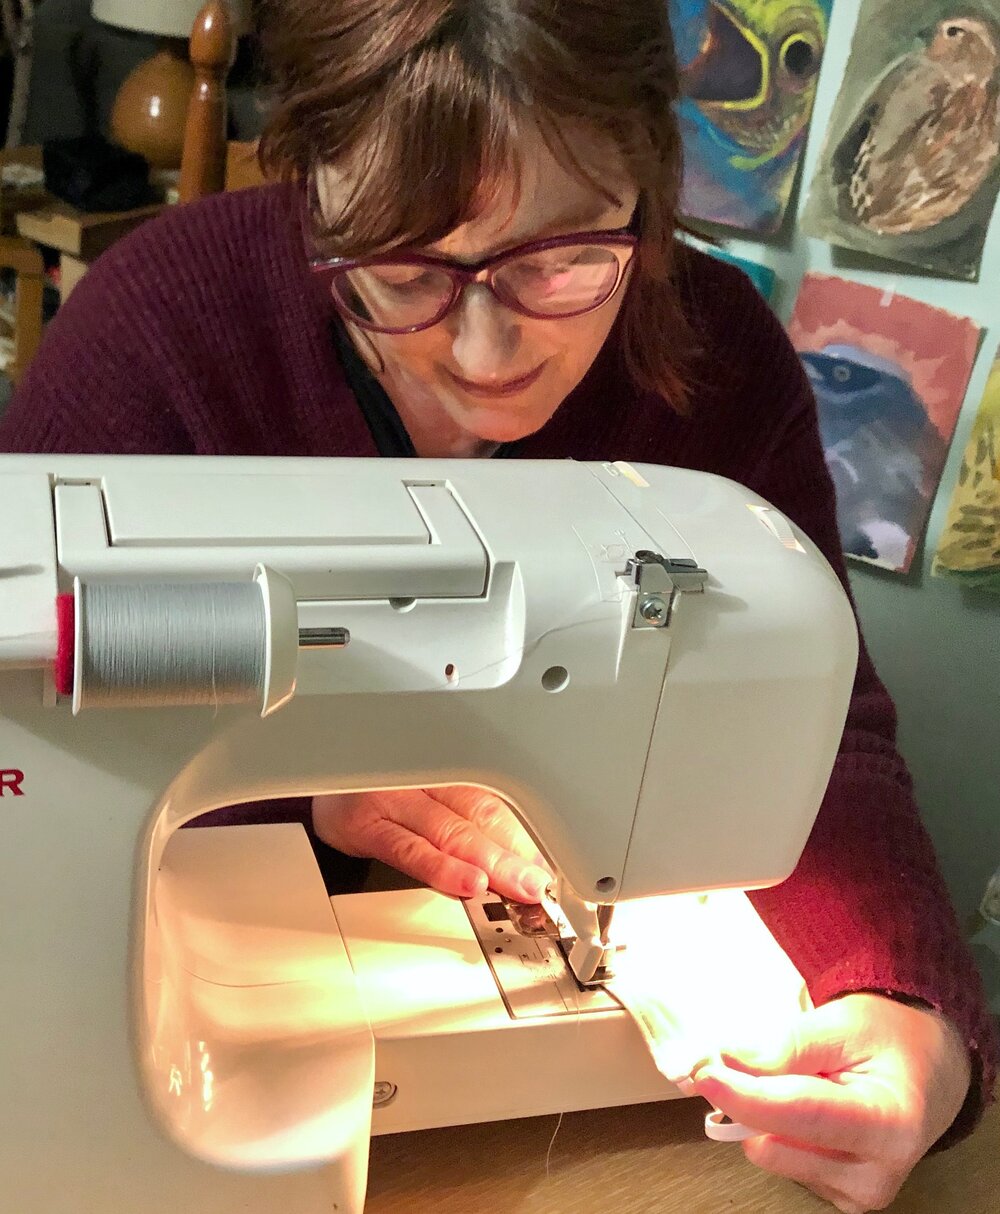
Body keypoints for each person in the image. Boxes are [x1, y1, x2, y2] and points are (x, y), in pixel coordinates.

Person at [1, 2, 995, 1210]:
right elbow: (33, 768)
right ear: (309, 180)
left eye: (560, 259)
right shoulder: (154, 340)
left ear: (652, 177)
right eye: (406, 270)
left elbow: (820, 731)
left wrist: (901, 1003)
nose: (485, 351)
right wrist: (297, 765)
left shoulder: (717, 360)